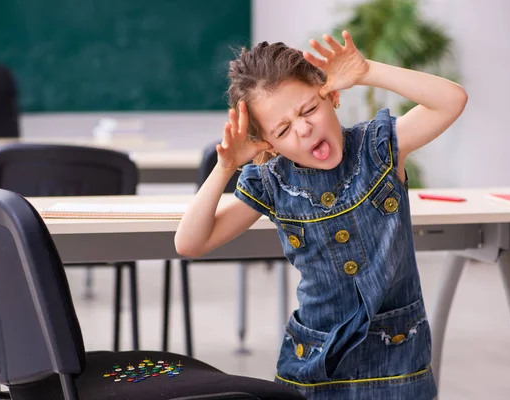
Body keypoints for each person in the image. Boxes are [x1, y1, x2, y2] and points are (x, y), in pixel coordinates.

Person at [175, 31, 467, 399]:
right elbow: (189, 242)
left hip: (400, 362)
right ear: (268, 144)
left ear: (331, 96)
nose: (303, 128)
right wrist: (225, 167)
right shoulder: (271, 182)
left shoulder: (378, 149)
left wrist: (366, 70)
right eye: (282, 129)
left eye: (309, 109)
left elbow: (451, 101)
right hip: (313, 367)